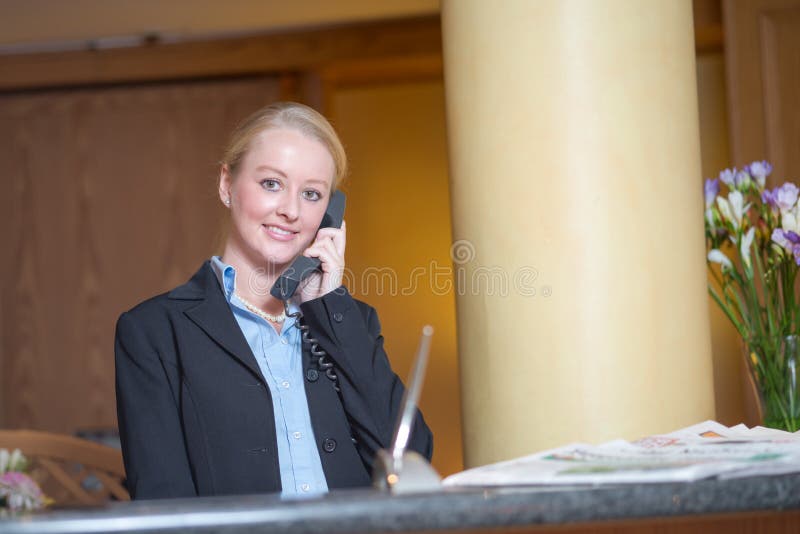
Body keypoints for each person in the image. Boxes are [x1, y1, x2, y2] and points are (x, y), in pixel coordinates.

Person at [114, 102, 433, 499]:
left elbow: (413, 460)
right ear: (226, 185)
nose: (291, 211)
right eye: (271, 184)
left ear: (331, 214)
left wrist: (330, 307)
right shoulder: (154, 331)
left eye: (312, 194)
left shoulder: (351, 323)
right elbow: (163, 502)